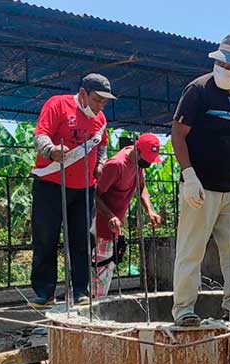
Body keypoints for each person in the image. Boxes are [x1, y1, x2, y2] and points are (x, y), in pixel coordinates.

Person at [170, 32, 230, 326]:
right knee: (191, 249)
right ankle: (184, 309)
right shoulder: (197, 90)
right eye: (223, 63)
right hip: (200, 186)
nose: (227, 70)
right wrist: (189, 175)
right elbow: (178, 133)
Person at [29, 73, 115, 308]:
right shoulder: (57, 104)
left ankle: (80, 290)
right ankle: (45, 292)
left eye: (104, 102)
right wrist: (51, 151)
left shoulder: (101, 119)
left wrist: (99, 164)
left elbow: (103, 145)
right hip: (51, 183)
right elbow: (40, 135)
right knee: (46, 237)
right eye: (97, 99)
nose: (100, 106)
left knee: (82, 240)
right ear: (83, 94)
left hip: (84, 188)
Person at [92, 133, 163, 297]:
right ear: (137, 151)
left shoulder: (138, 164)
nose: (148, 164)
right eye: (146, 160)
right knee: (98, 271)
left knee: (108, 269)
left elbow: (141, 187)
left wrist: (150, 210)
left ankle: (97, 305)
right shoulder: (116, 165)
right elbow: (95, 194)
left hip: (115, 227)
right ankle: (90, 310)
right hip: (101, 226)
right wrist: (110, 216)